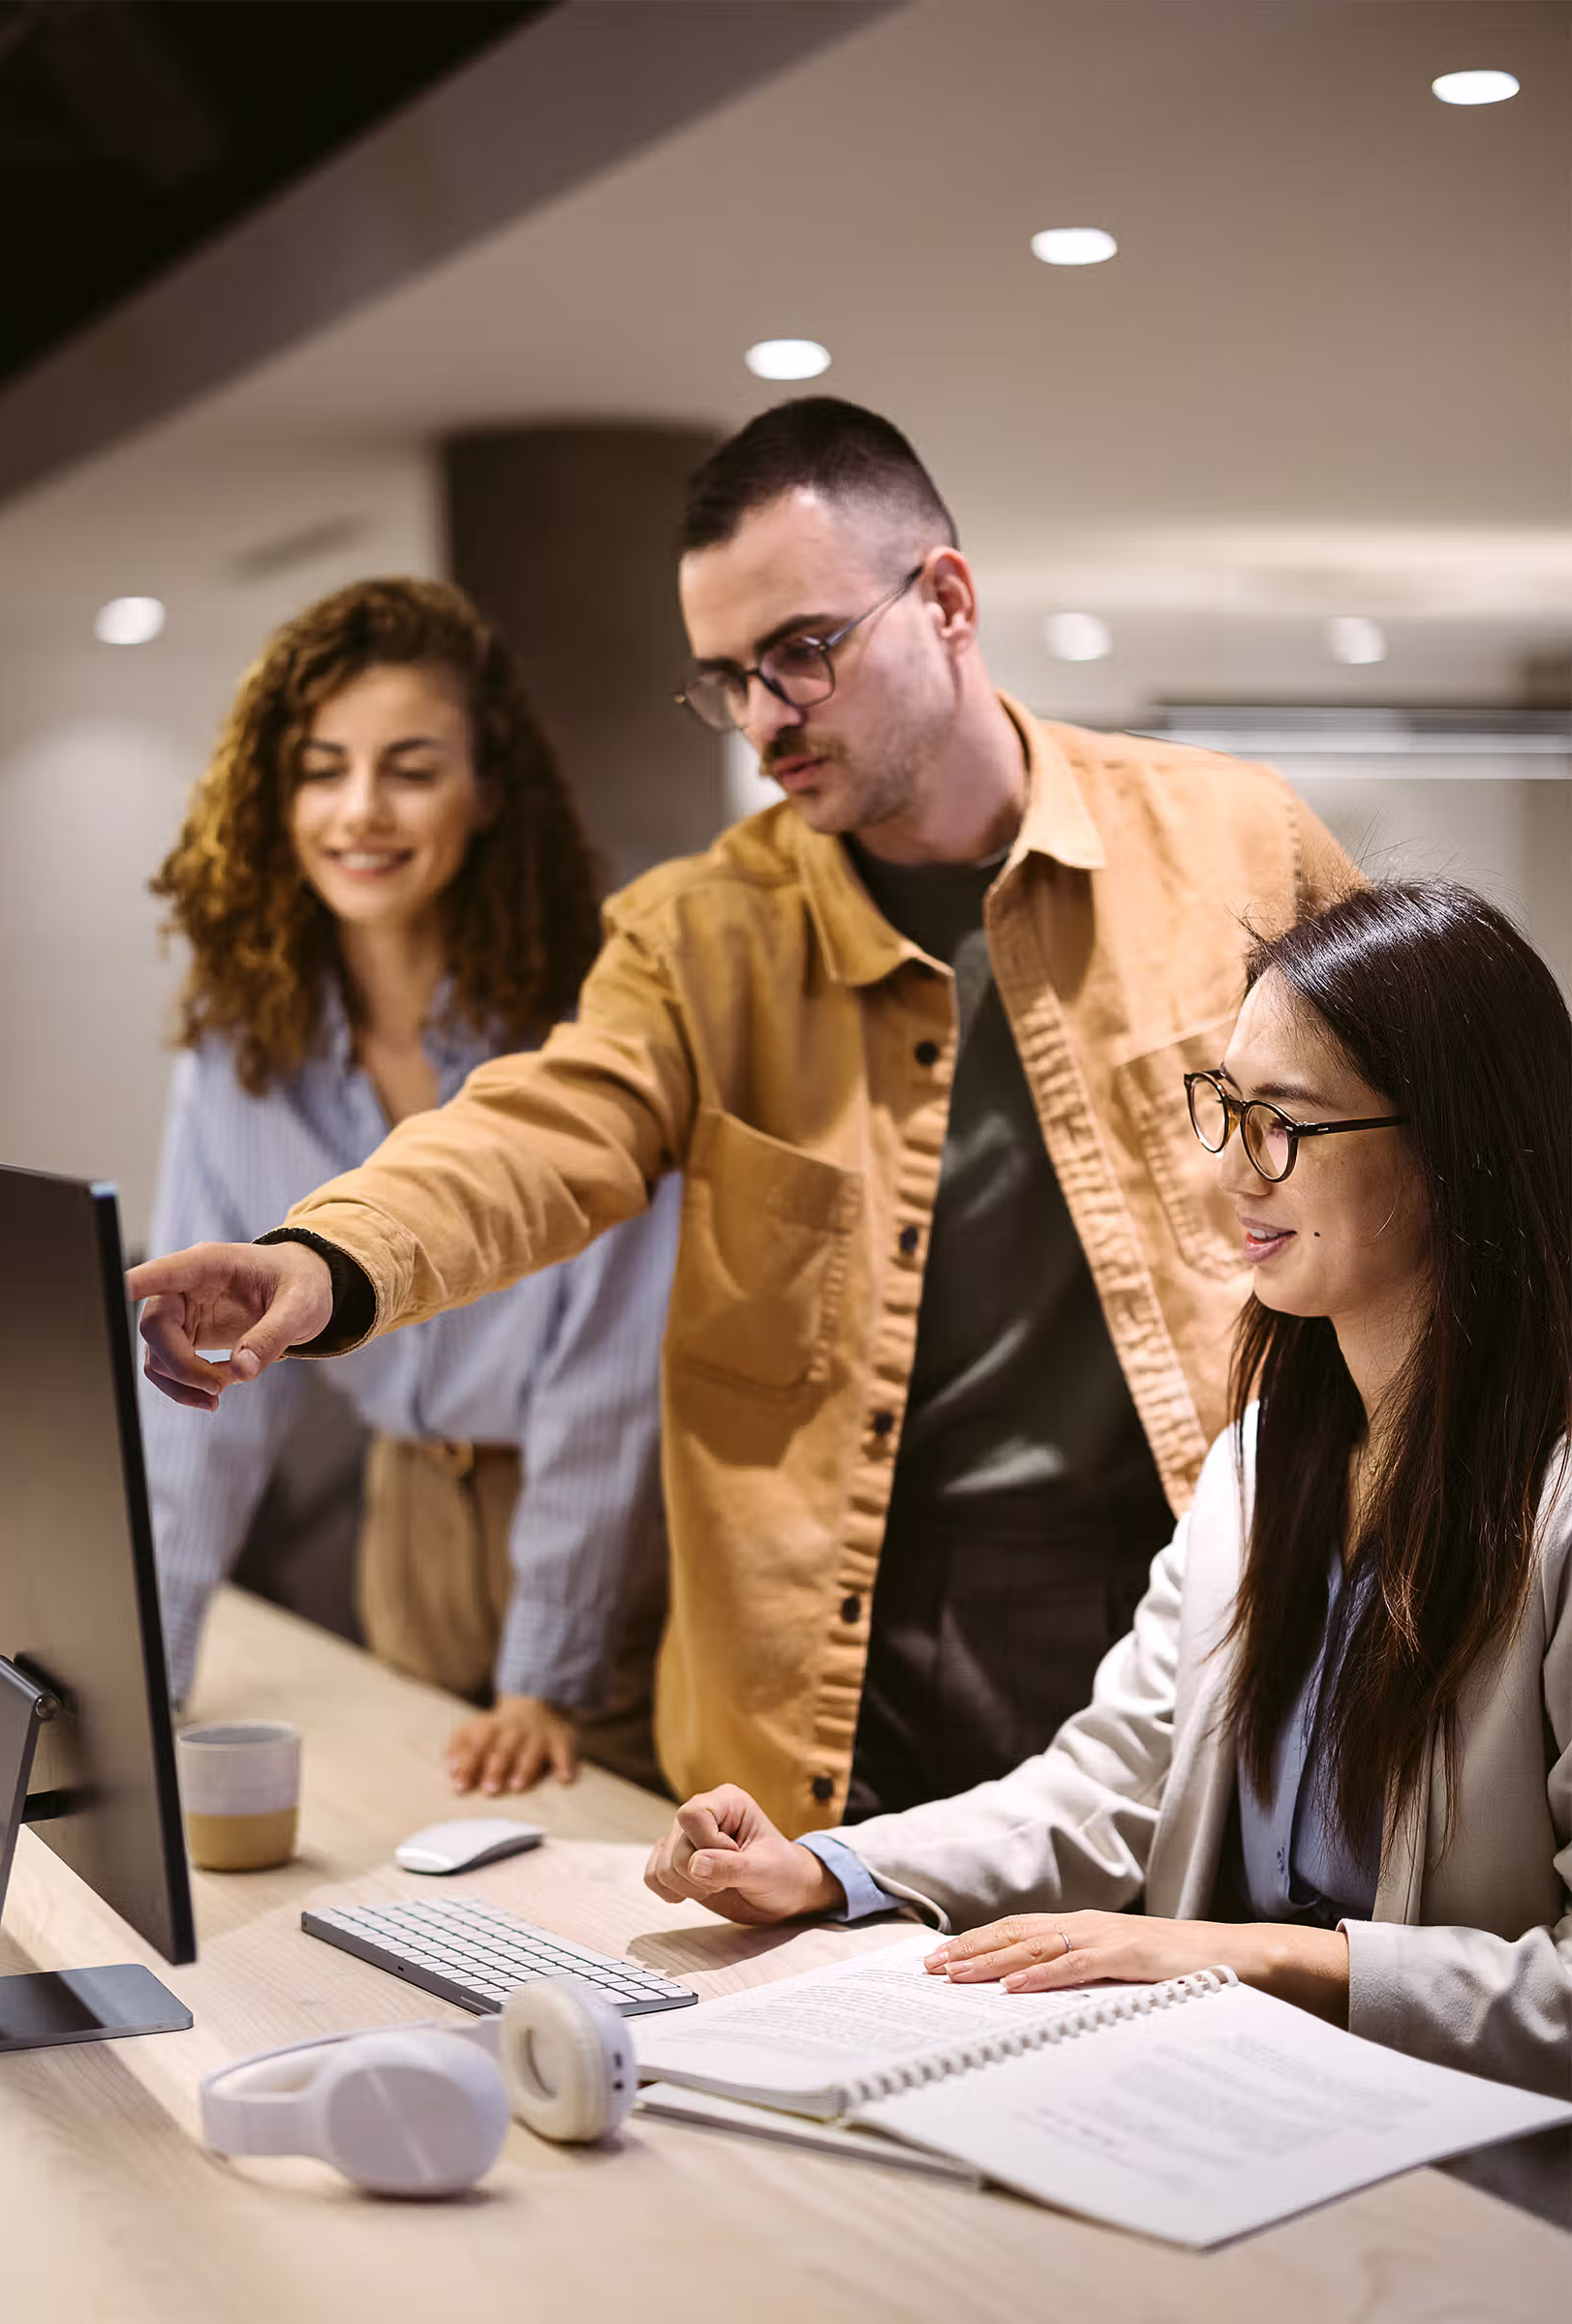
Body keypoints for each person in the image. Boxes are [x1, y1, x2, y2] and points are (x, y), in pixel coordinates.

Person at [130, 399, 1353, 1836]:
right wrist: (324, 1262)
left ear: (947, 599)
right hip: (845, 1643)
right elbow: (537, 1132)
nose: (768, 716)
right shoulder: (701, 933)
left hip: (1196, 1581)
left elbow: (1433, 1143)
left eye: (802, 655)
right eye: (726, 679)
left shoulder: (1233, 840)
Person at [643, 882, 1572, 2101]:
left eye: (1283, 1123)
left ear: (1456, 1141)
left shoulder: (1553, 1505)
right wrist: (822, 1869)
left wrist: (1269, 1961)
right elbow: (1114, 1786)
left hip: (1471, 2189)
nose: (1233, 1174)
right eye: (1226, 1109)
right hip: (1229, 2100)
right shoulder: (1263, 1460)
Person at [142, 577, 678, 1793]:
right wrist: (146, 1666)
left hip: (609, 1528)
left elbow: (610, 1370)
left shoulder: (584, 1023)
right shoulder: (243, 1052)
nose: (360, 812)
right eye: (322, 769)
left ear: (489, 791)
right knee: (410, 1875)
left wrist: (546, 1667)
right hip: (409, 1527)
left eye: (412, 769)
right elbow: (203, 1384)